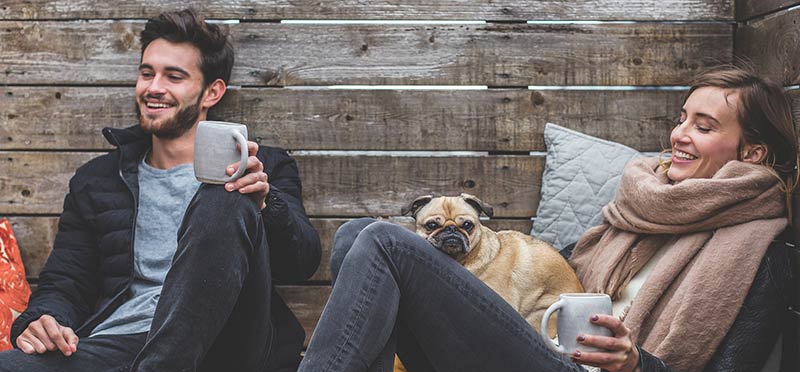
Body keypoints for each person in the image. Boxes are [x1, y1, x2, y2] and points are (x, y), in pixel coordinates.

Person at [297, 65, 796, 372]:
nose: (679, 134)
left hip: (581, 368)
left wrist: (637, 364)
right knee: (354, 235)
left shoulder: (758, 251)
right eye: (681, 117)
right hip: (542, 344)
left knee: (383, 240)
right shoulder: (647, 202)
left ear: (751, 152)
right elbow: (568, 277)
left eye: (703, 126)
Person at [1, 9, 321, 372]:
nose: (154, 87)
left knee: (226, 193)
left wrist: (265, 203)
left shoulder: (265, 166)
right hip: (117, 345)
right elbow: (66, 282)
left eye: (174, 77)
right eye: (146, 73)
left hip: (225, 343)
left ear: (211, 92)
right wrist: (43, 320)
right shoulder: (96, 181)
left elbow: (302, 262)